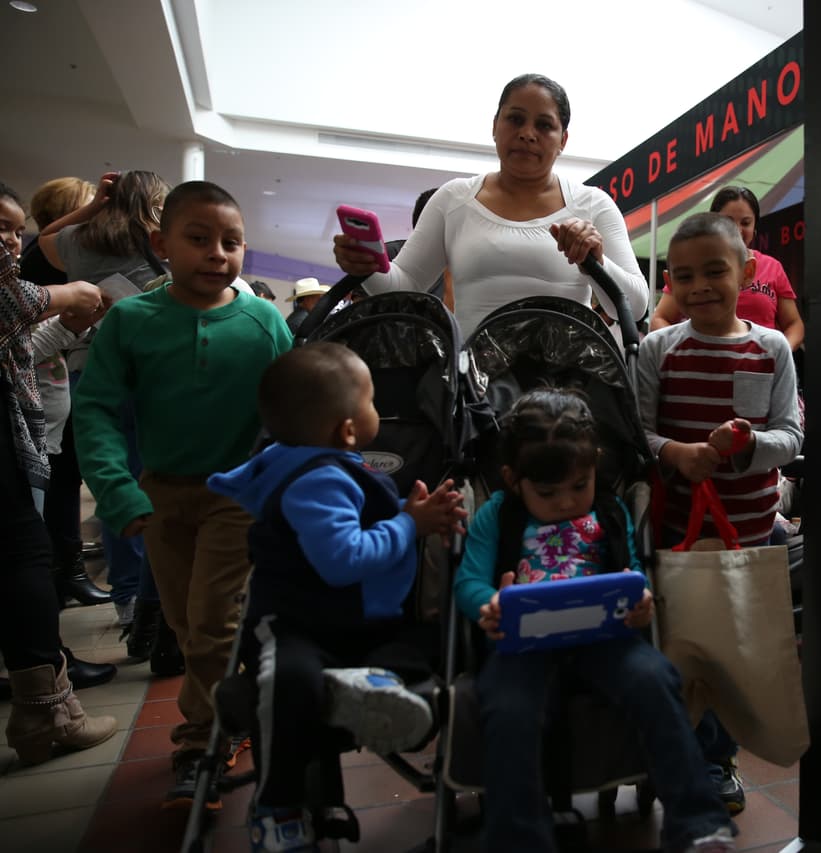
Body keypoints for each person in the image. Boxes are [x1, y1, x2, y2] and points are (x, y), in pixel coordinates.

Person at [73, 180, 295, 808]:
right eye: (198, 240)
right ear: (160, 243)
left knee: (210, 625)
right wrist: (118, 493)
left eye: (232, 242)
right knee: (184, 621)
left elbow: (293, 406)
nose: (217, 254)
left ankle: (201, 742)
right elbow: (94, 410)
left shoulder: (263, 322)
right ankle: (240, 705)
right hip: (161, 497)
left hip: (239, 496)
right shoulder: (130, 320)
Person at [207, 342, 465, 850]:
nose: (377, 412)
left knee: (426, 642)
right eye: (371, 401)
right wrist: (410, 525)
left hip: (354, 626)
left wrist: (404, 512)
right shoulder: (317, 481)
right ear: (348, 430)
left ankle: (369, 682)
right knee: (289, 681)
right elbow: (344, 560)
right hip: (296, 624)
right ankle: (277, 802)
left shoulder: (317, 466)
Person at [454, 388, 735, 853]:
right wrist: (489, 603)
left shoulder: (607, 510)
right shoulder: (496, 516)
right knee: (508, 710)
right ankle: (518, 836)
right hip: (522, 644)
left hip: (604, 639)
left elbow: (633, 576)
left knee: (657, 678)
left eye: (579, 485)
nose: (566, 502)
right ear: (512, 479)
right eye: (547, 493)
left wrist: (640, 600)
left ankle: (697, 822)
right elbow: (468, 583)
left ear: (595, 468)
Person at [636, 212, 803, 815]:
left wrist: (748, 448)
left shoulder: (771, 346)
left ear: (748, 272)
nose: (700, 285)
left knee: (734, 649)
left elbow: (790, 434)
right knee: (681, 645)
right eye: (684, 276)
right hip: (678, 526)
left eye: (715, 271)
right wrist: (676, 453)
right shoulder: (659, 348)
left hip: (752, 530)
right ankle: (676, 753)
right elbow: (640, 433)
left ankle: (716, 760)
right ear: (669, 286)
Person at [333, 73, 648, 339]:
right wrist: (369, 267)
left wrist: (596, 263)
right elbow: (403, 288)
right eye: (515, 119)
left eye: (544, 125)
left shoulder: (593, 204)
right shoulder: (453, 199)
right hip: (477, 396)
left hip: (565, 395)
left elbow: (634, 306)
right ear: (495, 125)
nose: (527, 134)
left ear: (563, 140)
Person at [0, 182, 118, 765]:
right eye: (0, 227)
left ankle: (44, 707)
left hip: (26, 439)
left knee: (28, 556)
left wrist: (71, 318)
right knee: (25, 557)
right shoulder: (18, 292)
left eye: (14, 230)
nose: (11, 242)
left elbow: (20, 343)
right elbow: (15, 311)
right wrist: (65, 293)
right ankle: (46, 712)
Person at [38, 170, 172, 628]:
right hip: (151, 378)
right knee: (154, 482)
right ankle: (158, 599)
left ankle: (129, 596)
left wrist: (96, 204)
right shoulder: (160, 242)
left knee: (114, 485)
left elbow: (46, 237)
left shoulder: (77, 239)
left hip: (89, 373)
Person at [649, 186, 805, 351]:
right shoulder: (694, 265)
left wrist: (778, 354)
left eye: (746, 222)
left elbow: (794, 324)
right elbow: (660, 319)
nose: (737, 230)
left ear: (747, 273)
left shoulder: (772, 267)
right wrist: (684, 352)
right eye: (728, 222)